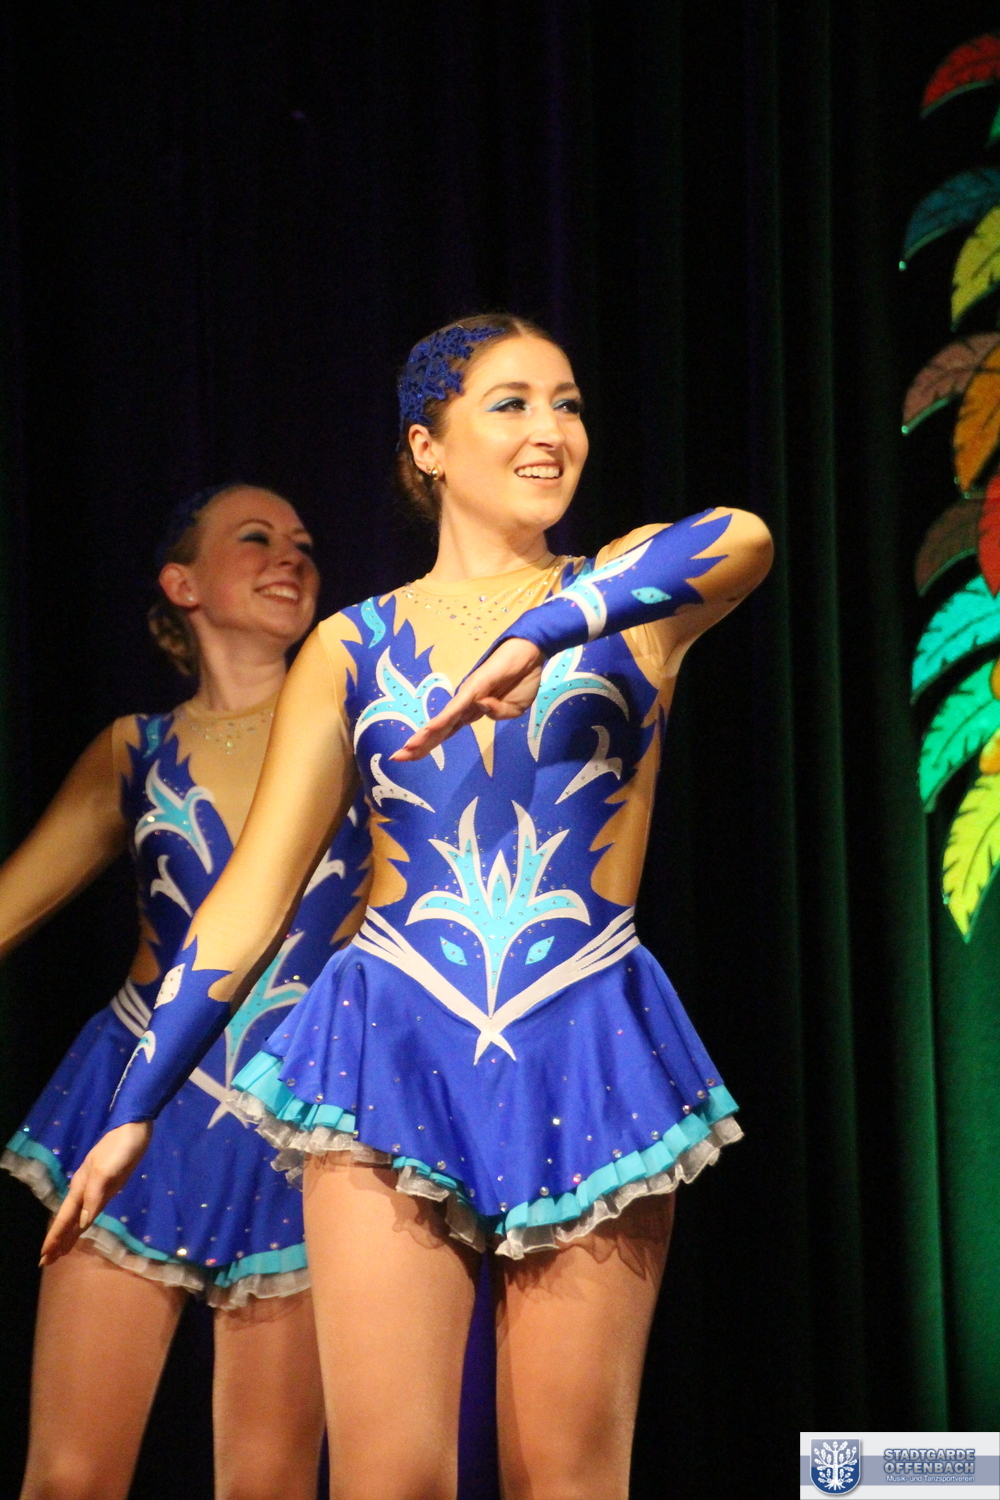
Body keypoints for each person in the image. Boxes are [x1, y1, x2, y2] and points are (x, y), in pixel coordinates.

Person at [47, 317, 773, 1500]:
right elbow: (254, 892)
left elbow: (741, 538)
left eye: (568, 403)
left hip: (583, 1030)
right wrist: (137, 1103)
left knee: (568, 1476)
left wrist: (541, 631)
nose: (551, 429)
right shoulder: (352, 643)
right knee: (389, 1477)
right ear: (426, 447)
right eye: (511, 403)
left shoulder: (623, 594)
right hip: (387, 1042)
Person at [2, 484, 370, 1500]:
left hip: (298, 1117)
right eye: (256, 539)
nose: (291, 556)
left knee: (269, 1480)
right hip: (137, 1104)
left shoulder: (362, 735)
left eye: (304, 542)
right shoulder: (137, 750)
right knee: (70, 1475)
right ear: (182, 583)